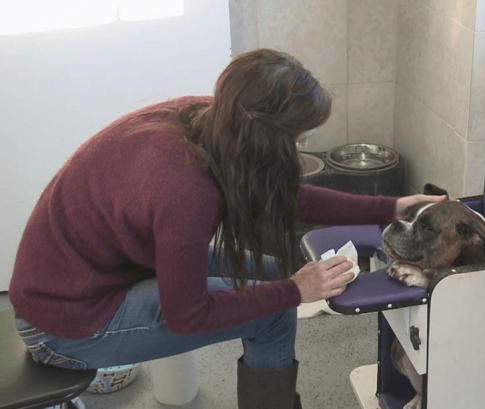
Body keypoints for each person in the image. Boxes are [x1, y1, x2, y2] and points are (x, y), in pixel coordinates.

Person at [9, 48, 444, 409]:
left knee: (276, 271)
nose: (305, 145)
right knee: (275, 310)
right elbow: (188, 315)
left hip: (97, 273)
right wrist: (296, 292)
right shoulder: (185, 192)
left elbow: (286, 195)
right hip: (64, 324)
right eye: (297, 138)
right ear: (264, 137)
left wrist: (394, 205)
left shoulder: (210, 116)